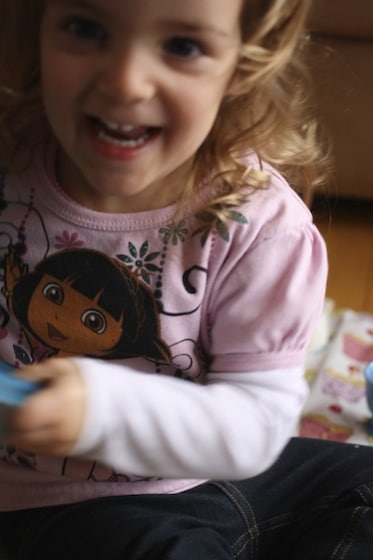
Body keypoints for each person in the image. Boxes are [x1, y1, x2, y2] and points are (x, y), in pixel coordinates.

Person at [0, 0, 372, 558]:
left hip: (214, 472)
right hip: (58, 500)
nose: (125, 81)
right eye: (85, 28)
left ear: (244, 64)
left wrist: (106, 409)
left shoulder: (260, 225)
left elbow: (253, 424)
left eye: (183, 46)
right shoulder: (11, 166)